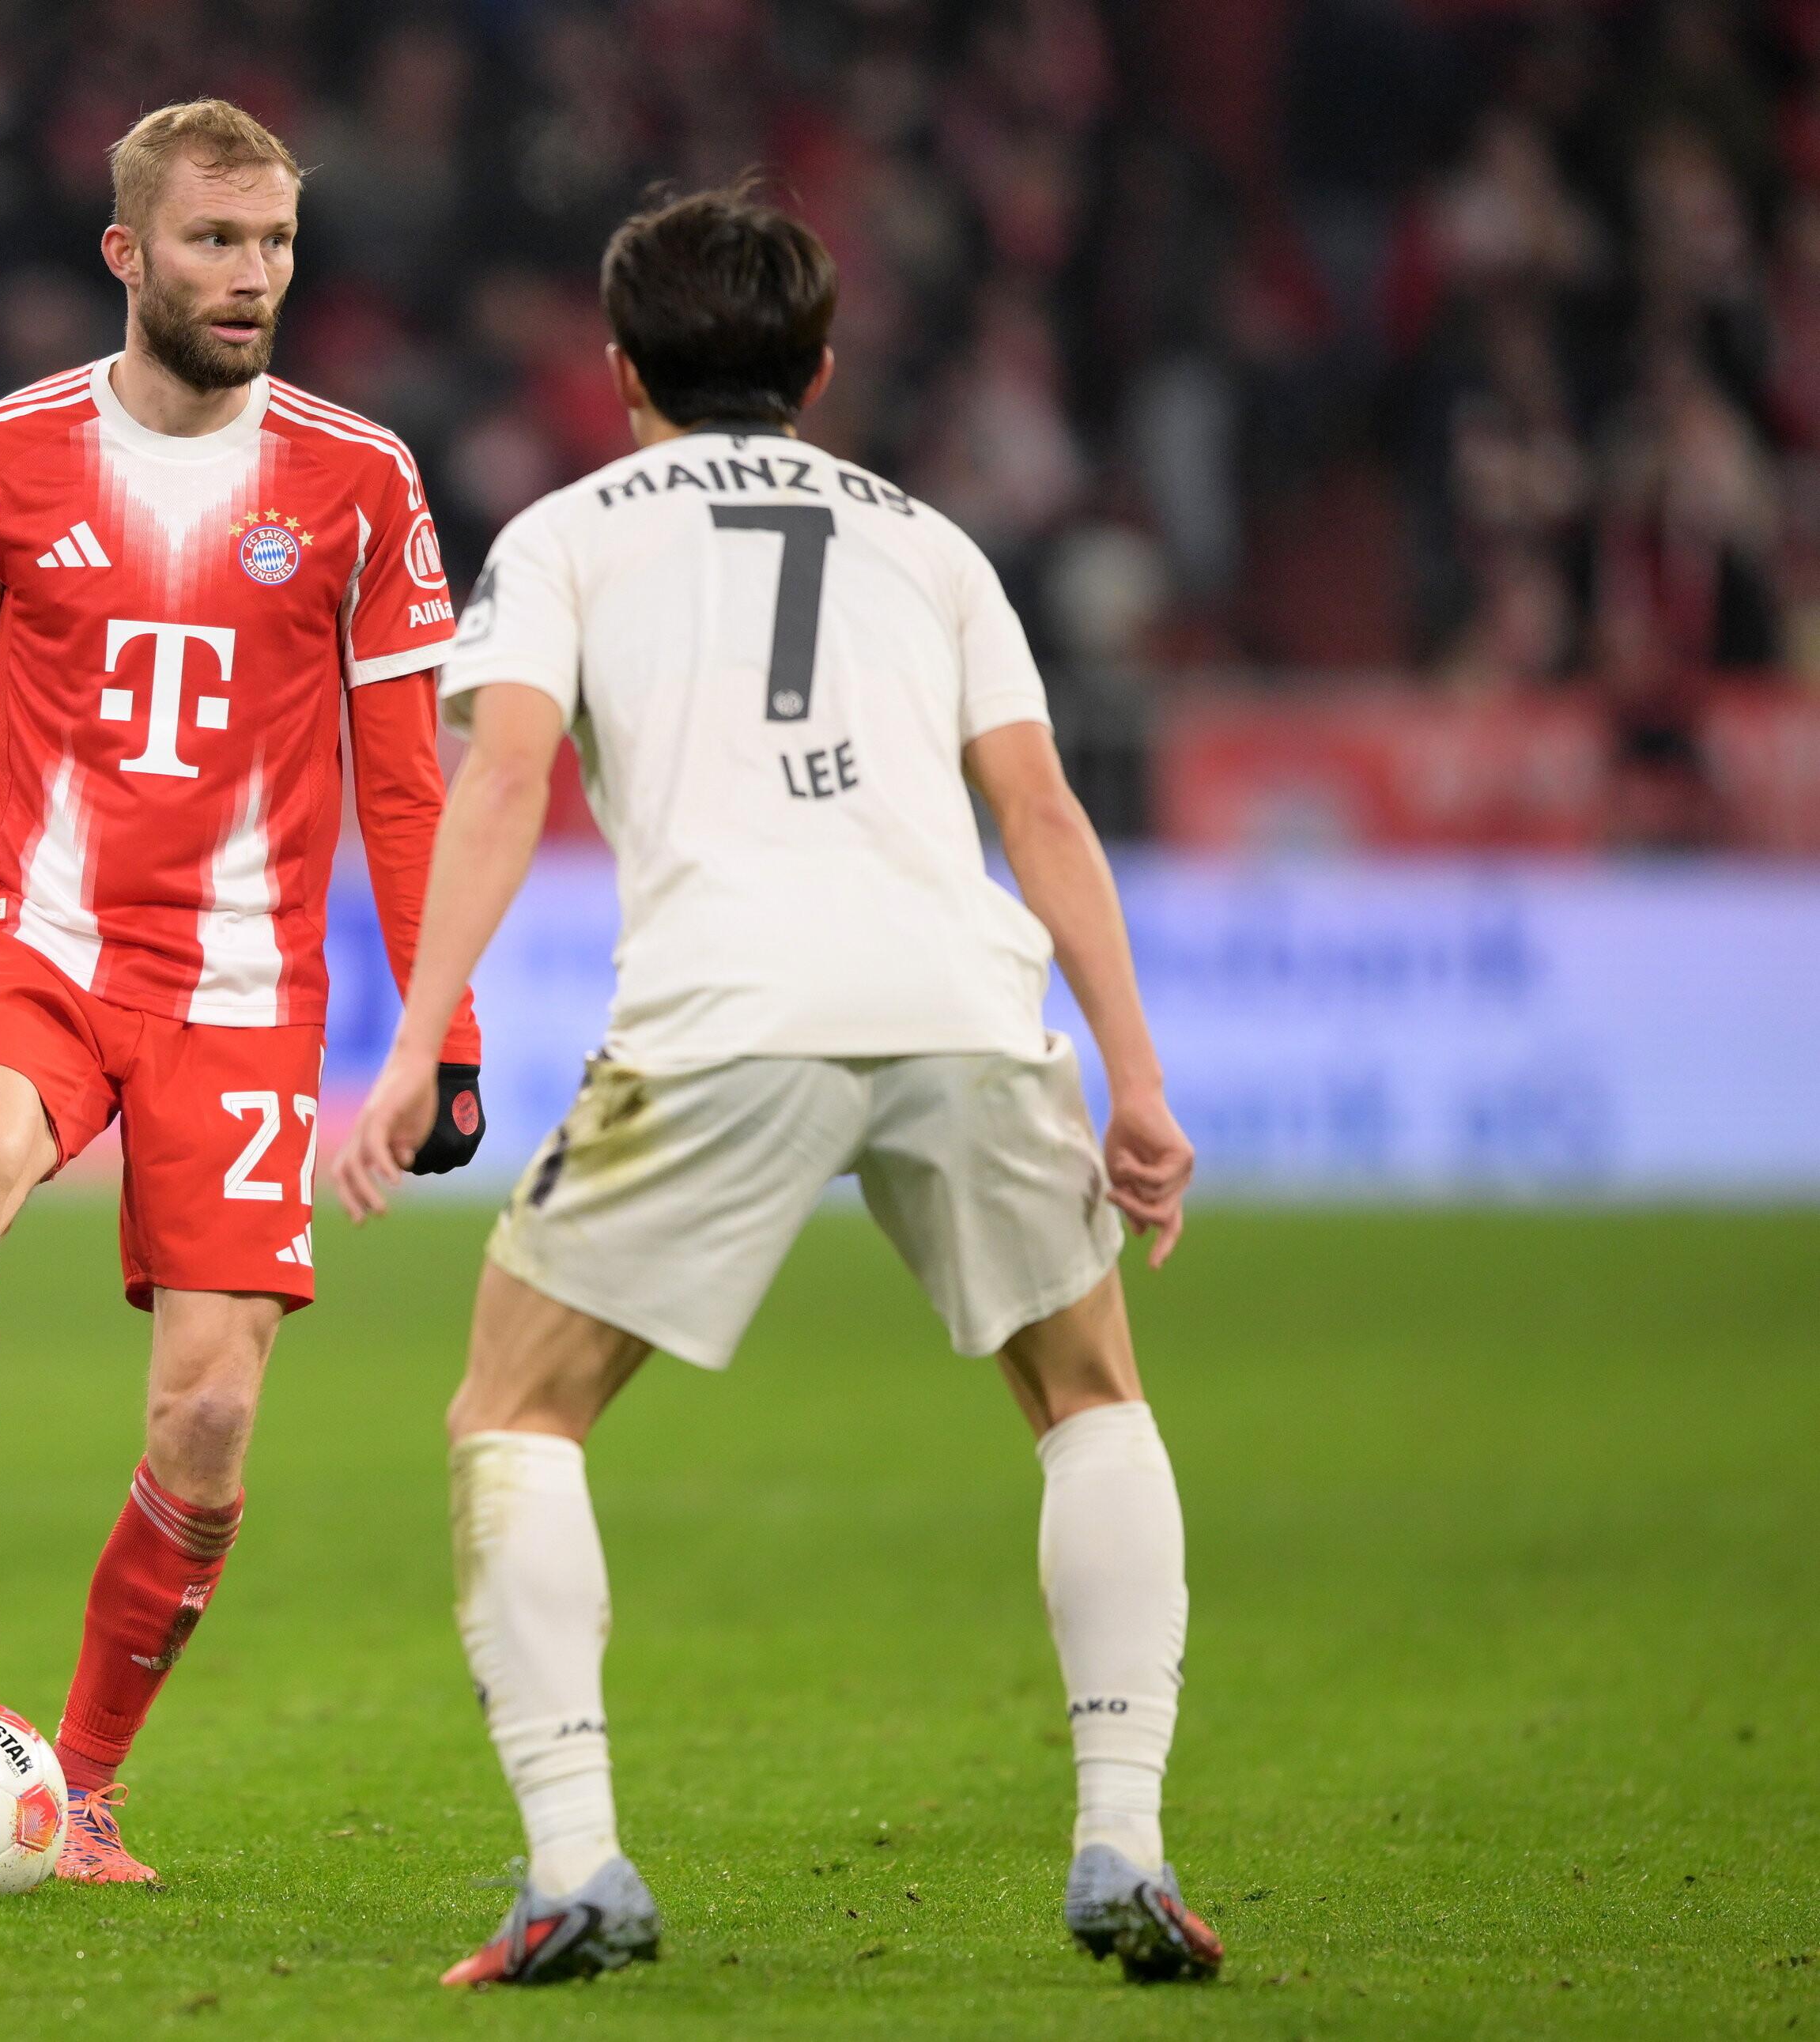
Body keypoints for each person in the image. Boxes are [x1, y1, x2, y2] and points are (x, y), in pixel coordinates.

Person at [330, 187, 1221, 1988]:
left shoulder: (568, 533)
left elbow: (495, 784)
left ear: (617, 368)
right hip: (963, 1004)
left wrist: (417, 1037)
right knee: (1087, 1395)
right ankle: (1122, 1834)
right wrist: (1133, 1074)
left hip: (726, 1007)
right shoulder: (932, 542)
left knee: (515, 1410)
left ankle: (574, 1863)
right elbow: (1040, 812)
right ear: (818, 366)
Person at [0, 100, 488, 1885]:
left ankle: (84, 1786)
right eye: (213, 242)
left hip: (247, 992)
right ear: (127, 254)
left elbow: (408, 787)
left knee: (206, 1418)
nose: (252, 276)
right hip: (35, 948)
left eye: (272, 243)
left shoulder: (359, 481)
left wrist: (448, 1039)